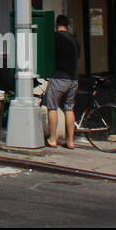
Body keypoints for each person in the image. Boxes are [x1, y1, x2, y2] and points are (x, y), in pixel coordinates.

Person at [45, 14, 80, 149]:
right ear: (68, 25)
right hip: (74, 79)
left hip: (59, 77)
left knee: (52, 106)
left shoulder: (55, 37)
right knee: (69, 108)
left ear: (56, 24)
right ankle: (70, 141)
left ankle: (52, 139)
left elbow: (48, 55)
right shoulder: (74, 40)